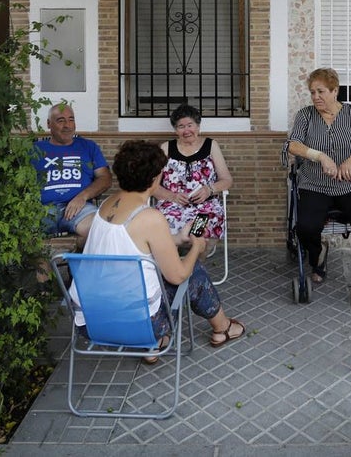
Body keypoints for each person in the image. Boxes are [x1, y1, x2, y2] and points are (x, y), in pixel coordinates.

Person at [73, 139, 245, 361]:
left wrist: (177, 238)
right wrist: (197, 247)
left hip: (90, 321)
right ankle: (222, 327)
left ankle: (157, 344)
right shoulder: (151, 218)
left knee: (172, 267)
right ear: (155, 178)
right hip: (137, 325)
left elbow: (133, 242)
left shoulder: (106, 205)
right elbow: (179, 275)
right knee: (192, 271)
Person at [283, 68, 351, 316]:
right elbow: (293, 145)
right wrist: (319, 155)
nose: (315, 96)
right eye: (312, 92)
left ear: (335, 91)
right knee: (306, 227)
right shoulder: (306, 116)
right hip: (315, 184)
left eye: (321, 91)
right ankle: (317, 253)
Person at [152, 104, 234, 257]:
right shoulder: (166, 148)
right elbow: (153, 186)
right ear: (176, 130)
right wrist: (172, 196)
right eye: (181, 126)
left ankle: (195, 267)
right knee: (162, 225)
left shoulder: (210, 146)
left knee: (199, 233)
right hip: (172, 205)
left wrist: (209, 189)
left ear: (198, 125)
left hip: (205, 207)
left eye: (190, 125)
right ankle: (172, 267)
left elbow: (227, 179)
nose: (186, 130)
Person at [32, 104, 113, 238]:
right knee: (19, 235)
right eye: (61, 120)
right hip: (41, 211)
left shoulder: (88, 147)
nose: (67, 125)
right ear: (48, 124)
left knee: (100, 231)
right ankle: (42, 260)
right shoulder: (34, 150)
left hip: (80, 210)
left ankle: (75, 256)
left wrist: (82, 196)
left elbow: (105, 178)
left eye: (71, 119)